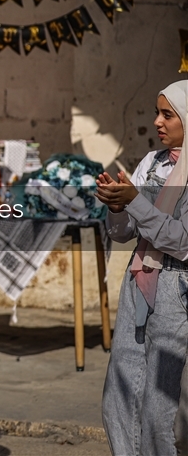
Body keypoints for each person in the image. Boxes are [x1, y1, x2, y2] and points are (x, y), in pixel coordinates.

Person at [97, 79, 187, 456]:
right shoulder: (152, 163)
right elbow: (124, 234)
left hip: (176, 291)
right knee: (120, 394)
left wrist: (134, 202)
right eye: (157, 113)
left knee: (159, 408)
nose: (157, 122)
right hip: (138, 284)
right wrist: (117, 208)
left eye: (168, 115)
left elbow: (181, 241)